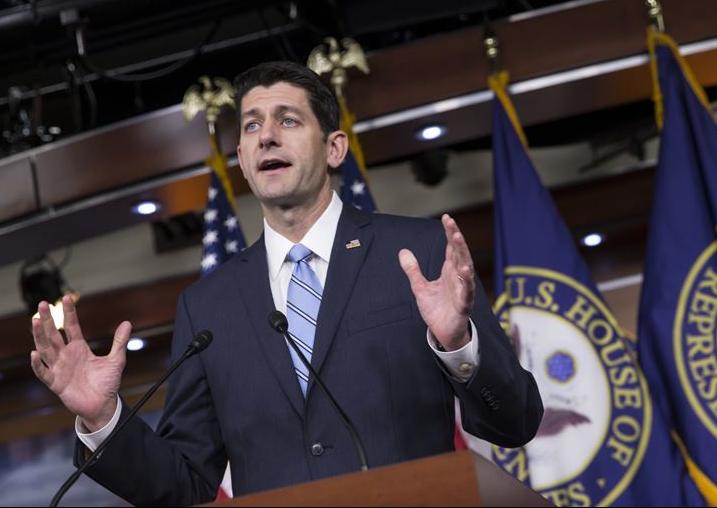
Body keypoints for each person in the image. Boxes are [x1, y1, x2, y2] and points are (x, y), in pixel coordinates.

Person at [30, 61, 543, 505]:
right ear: (245, 166)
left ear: (335, 148)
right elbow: (187, 488)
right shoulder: (209, 306)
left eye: (288, 120)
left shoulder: (416, 254)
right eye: (251, 126)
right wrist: (104, 420)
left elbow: (515, 423)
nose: (266, 136)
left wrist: (459, 347)